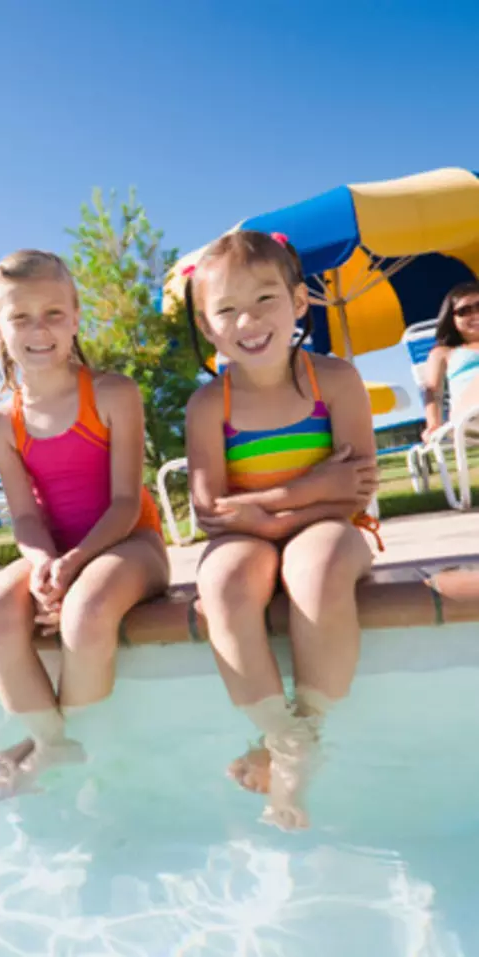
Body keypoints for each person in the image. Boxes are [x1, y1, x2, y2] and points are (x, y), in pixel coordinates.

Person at [183, 230, 380, 830]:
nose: (248, 320)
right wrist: (314, 487)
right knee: (221, 583)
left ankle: (301, 734)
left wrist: (270, 507)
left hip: (329, 529)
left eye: (265, 299)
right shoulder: (207, 405)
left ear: (299, 303)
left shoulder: (335, 381)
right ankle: (283, 735)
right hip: (246, 539)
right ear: (209, 327)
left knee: (314, 567)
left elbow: (357, 489)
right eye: (226, 310)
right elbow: (212, 511)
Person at [0, 249, 170, 801]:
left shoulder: (111, 393)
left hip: (131, 545)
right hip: (56, 555)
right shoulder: (1, 424)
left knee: (87, 611)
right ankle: (49, 739)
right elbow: (26, 517)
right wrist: (41, 565)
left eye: (54, 313)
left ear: (77, 315)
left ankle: (64, 741)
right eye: (21, 317)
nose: (39, 330)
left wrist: (75, 565)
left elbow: (127, 502)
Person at [422, 281, 479, 441]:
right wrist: (433, 425)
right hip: (470, 417)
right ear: (451, 318)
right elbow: (432, 391)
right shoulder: (444, 352)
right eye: (464, 311)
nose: (475, 315)